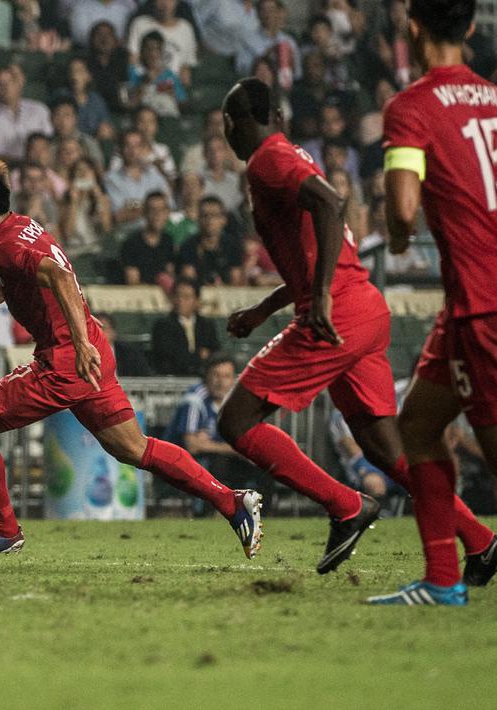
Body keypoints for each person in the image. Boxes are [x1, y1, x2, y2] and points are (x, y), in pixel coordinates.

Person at [0, 159, 261, 559]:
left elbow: (60, 277)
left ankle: (3, 530)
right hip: (89, 354)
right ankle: (231, 502)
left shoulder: (6, 246)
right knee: (133, 448)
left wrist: (80, 342)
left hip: (66, 360)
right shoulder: (21, 229)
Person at [217, 77, 494, 587]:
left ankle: (346, 505)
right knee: (387, 451)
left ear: (233, 125)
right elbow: (319, 247)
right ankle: (479, 539)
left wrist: (318, 297)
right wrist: (265, 308)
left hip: (337, 314)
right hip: (362, 309)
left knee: (236, 420)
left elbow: (331, 203)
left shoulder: (267, 160)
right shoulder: (288, 154)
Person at [370, 0, 497, 605]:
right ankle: (444, 581)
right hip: (467, 306)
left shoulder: (411, 108)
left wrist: (396, 236)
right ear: (471, 27)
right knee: (418, 427)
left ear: (412, 28)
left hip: (484, 303)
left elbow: (401, 209)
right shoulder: (495, 99)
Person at [165, 355, 271, 506]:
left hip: (222, 458)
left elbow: (249, 438)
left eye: (226, 376)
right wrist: (232, 449)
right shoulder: (194, 399)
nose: (221, 382)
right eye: (216, 375)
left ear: (234, 379)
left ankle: (261, 517)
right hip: (188, 462)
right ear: (206, 377)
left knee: (263, 465)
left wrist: (213, 445)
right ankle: (206, 513)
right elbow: (192, 446)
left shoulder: (237, 400)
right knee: (218, 463)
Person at [150, 279, 221, 376]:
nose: (180, 301)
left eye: (186, 297)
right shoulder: (163, 325)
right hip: (174, 377)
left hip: (203, 378)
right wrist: (199, 356)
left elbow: (215, 353)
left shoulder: (207, 325)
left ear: (196, 301)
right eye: (177, 296)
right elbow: (168, 357)